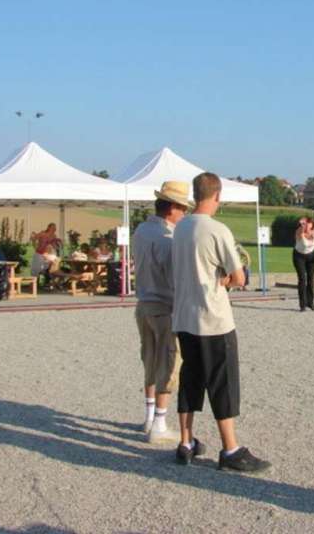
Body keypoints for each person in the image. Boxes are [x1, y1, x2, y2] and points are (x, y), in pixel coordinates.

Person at [172, 172, 270, 472]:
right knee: (222, 383)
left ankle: (186, 443)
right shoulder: (217, 230)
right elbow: (238, 277)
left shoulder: (180, 228)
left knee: (190, 380)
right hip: (213, 319)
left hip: (184, 316)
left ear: (195, 194)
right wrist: (227, 278)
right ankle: (230, 449)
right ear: (217, 196)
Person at [133, 181, 191, 444]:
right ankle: (159, 422)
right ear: (172, 209)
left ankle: (148, 416)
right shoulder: (168, 239)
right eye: (182, 209)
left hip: (143, 303)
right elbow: (175, 278)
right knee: (168, 362)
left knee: (149, 357)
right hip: (164, 306)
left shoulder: (141, 230)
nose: (184, 215)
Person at [292, 216, 314, 311]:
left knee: (311, 279)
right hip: (299, 256)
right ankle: (302, 305)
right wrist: (302, 228)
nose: (306, 226)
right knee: (302, 279)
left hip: (311, 255)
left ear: (312, 225)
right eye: (304, 224)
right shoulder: (299, 231)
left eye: (308, 224)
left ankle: (310, 303)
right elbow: (299, 236)